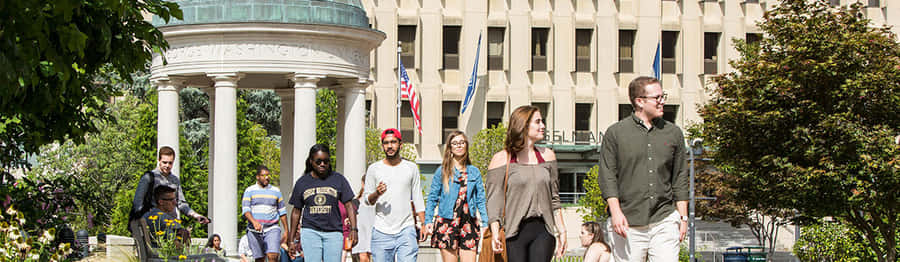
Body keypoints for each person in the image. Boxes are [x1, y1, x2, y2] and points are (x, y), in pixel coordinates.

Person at [598, 76, 689, 262]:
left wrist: (683, 217)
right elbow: (607, 176)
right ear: (639, 101)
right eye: (657, 98)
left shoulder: (674, 133)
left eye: (663, 96)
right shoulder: (615, 133)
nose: (662, 101)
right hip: (627, 223)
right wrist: (616, 212)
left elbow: (680, 176)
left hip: (664, 219)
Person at [486, 105, 567, 262]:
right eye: (537, 122)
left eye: (542, 121)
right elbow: (494, 201)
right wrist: (495, 232)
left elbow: (554, 198)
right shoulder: (501, 159)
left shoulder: (548, 156)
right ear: (523, 125)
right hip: (513, 232)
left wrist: (562, 231)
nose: (542, 126)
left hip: (544, 230)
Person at [423, 131, 489, 262]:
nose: (459, 145)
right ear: (450, 148)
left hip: (469, 223)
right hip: (447, 222)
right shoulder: (442, 171)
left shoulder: (474, 172)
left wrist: (485, 222)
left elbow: (481, 199)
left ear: (466, 145)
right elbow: (432, 198)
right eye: (455, 143)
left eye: (462, 142)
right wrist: (428, 220)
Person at [364, 128, 425, 262]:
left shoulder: (411, 168)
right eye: (386, 143)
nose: (390, 146)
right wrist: (377, 193)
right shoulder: (374, 169)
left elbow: (417, 197)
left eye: (393, 142)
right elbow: (367, 200)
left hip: (406, 229)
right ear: (382, 146)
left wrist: (424, 223)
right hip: (381, 230)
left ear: (400, 145)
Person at [289, 144, 358, 262]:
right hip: (310, 231)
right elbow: (296, 211)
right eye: (318, 161)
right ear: (311, 161)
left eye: (326, 161)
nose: (322, 164)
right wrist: (291, 240)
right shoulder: (302, 182)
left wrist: (354, 229)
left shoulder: (338, 179)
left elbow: (349, 205)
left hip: (333, 232)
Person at [132, 146, 210, 234]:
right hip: (154, 224)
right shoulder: (148, 178)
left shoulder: (175, 180)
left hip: (172, 224)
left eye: (170, 163)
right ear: (159, 160)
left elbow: (181, 203)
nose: (167, 166)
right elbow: (138, 204)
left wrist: (196, 215)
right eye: (164, 162)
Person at [242, 165, 289, 262]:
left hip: (272, 228)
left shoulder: (276, 191)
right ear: (257, 177)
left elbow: (282, 212)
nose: (266, 177)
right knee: (259, 259)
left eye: (268, 175)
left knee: (273, 255)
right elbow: (246, 210)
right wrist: (254, 222)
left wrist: (286, 231)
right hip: (254, 230)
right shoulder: (249, 190)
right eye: (263, 175)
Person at [351, 175, 373, 262]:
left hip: (374, 230)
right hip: (361, 231)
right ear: (363, 184)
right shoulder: (356, 201)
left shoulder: (378, 199)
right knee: (363, 256)